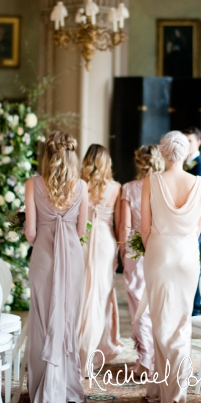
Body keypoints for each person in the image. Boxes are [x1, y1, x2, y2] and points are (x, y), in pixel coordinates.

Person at [138, 131, 201, 403]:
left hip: (160, 255)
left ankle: (169, 395)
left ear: (163, 153)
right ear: (183, 152)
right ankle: (168, 393)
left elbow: (145, 228)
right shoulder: (199, 183)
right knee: (181, 325)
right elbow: (198, 228)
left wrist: (154, 248)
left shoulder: (151, 181)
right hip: (188, 258)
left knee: (161, 323)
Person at [23, 131, 89, 403]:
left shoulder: (33, 183)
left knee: (42, 318)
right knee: (66, 317)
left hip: (44, 258)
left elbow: (30, 234)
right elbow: (81, 231)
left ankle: (44, 388)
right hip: (72, 257)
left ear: (47, 156)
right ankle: (65, 387)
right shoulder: (82, 187)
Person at [117, 145, 164, 375]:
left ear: (138, 163)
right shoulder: (165, 186)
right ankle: (155, 356)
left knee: (139, 305)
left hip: (136, 252)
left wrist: (122, 251)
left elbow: (125, 226)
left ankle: (145, 357)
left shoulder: (129, 188)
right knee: (156, 305)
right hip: (160, 251)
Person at [77, 144, 123, 373]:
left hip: (82, 240)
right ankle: (91, 351)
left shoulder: (78, 185)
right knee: (100, 296)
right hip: (105, 242)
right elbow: (120, 225)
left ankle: (77, 350)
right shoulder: (116, 188)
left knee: (82, 294)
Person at [182, 126, 201, 316]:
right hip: (182, 223)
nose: (186, 145)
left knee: (193, 265)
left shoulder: (200, 166)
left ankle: (195, 308)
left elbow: (198, 198)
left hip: (194, 223)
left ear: (198, 143)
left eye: (189, 141)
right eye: (184, 141)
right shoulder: (183, 164)